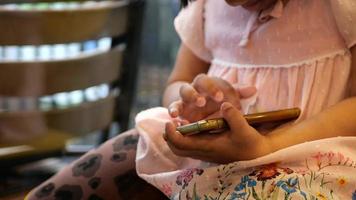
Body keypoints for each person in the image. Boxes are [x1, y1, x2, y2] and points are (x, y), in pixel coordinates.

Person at [27, 0, 356, 199]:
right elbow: (176, 83)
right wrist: (188, 100)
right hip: (197, 153)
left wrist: (268, 148)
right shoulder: (207, 8)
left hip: (309, 161)